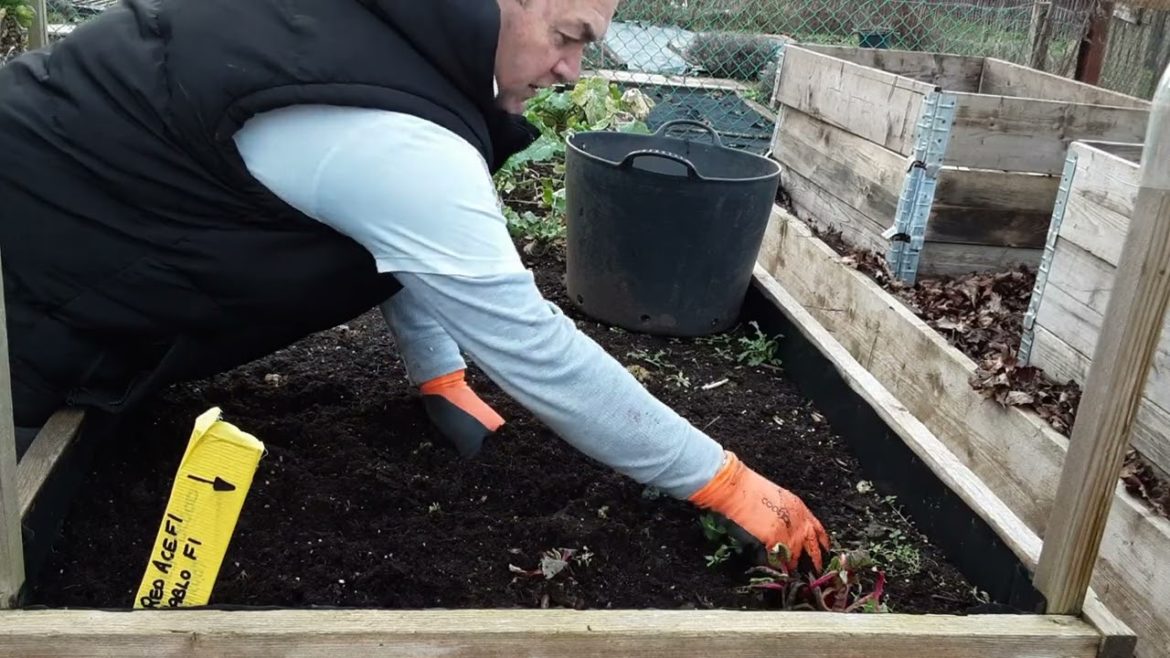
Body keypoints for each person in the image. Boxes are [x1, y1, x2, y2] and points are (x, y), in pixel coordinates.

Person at [0, 0, 830, 572]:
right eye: (569, 35)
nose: (574, 70)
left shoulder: (380, 39)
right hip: (24, 287)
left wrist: (437, 374)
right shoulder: (399, 139)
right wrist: (723, 482)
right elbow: (536, 349)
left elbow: (391, 240)